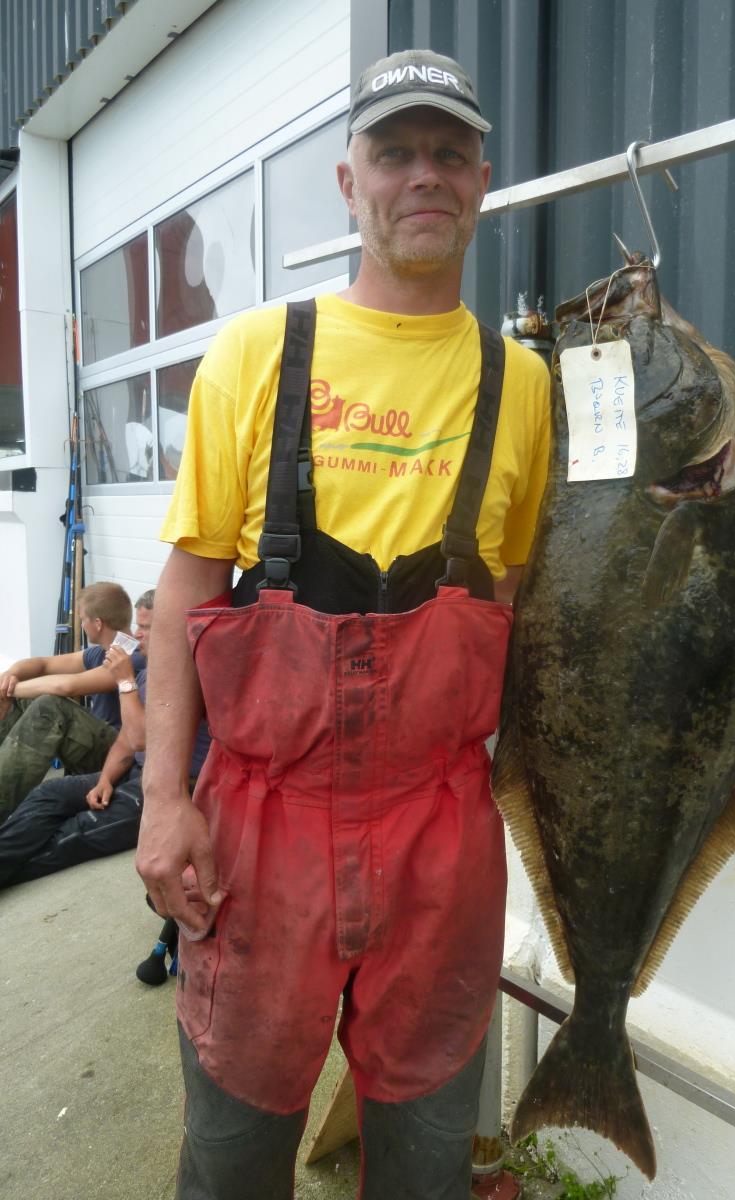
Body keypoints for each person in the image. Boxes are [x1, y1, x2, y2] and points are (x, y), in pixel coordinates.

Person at [136, 48, 550, 1200]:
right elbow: (183, 592)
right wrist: (167, 797)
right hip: (260, 832)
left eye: (449, 152)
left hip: (439, 837)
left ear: (481, 178)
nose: (425, 173)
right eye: (395, 151)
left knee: (423, 1163)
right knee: (229, 1160)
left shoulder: (523, 388)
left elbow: (508, 605)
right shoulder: (254, 357)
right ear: (347, 177)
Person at [0, 591, 210, 887]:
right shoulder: (149, 670)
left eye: (146, 628)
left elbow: (139, 739)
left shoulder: (181, 675)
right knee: (50, 795)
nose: (136, 634)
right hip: (134, 772)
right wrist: (106, 778)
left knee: (72, 835)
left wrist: (124, 680)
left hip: (175, 788)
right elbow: (126, 739)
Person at [0, 581, 146, 818]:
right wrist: (10, 675)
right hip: (99, 744)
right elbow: (43, 664)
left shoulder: (132, 657)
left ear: (97, 624)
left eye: (82, 619)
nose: (81, 625)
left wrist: (10, 689)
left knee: (49, 705)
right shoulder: (102, 652)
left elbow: (66, 686)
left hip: (120, 758)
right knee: (25, 698)